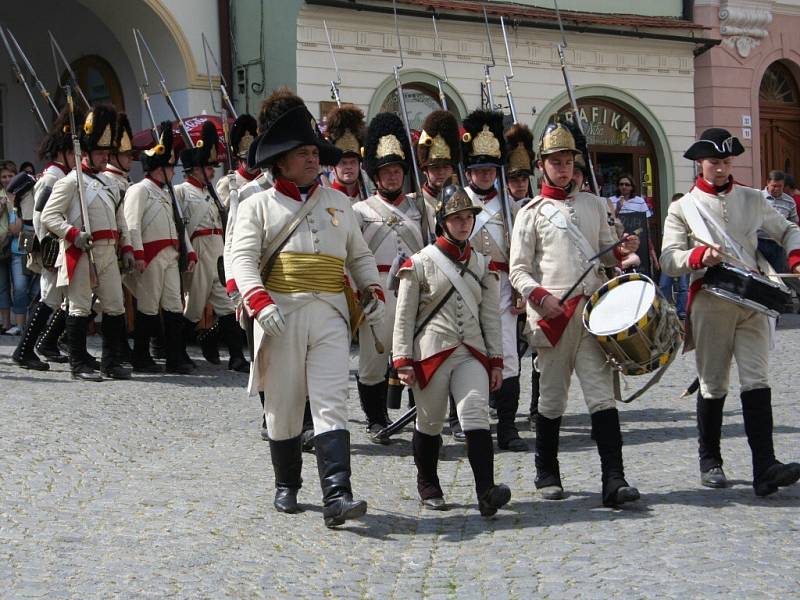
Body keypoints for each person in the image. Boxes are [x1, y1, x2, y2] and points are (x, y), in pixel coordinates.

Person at [230, 90, 384, 527]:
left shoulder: (339, 202)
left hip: (332, 316)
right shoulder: (256, 205)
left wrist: (372, 288)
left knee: (331, 402)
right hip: (281, 314)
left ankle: (338, 495)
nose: (313, 160)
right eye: (303, 153)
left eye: (315, 152)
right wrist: (258, 301)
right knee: (283, 404)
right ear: (280, 161)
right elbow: (240, 259)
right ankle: (287, 484)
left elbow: (358, 256)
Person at [660, 128, 800, 496]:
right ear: (700, 165)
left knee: (757, 380)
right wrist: (697, 256)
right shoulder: (682, 208)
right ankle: (711, 460)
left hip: (753, 300)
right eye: (713, 163)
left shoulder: (753, 199)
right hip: (711, 300)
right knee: (713, 382)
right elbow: (668, 258)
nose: (720, 169)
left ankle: (765, 467)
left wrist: (796, 257)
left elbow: (787, 230)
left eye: (725, 162)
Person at [509, 118, 641, 506]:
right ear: (542, 166)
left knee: (602, 398)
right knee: (551, 401)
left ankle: (614, 479)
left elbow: (608, 251)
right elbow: (518, 270)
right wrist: (539, 297)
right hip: (553, 317)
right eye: (555, 161)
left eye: (567, 160)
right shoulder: (530, 213)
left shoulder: (594, 205)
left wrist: (623, 246)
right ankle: (547, 470)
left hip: (592, 315)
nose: (563, 167)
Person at [393, 184, 512, 515]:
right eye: (456, 218)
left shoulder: (483, 264)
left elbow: (491, 317)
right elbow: (403, 318)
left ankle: (486, 491)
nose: (463, 224)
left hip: (470, 352)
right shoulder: (419, 263)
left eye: (467, 218)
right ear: (442, 221)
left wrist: (496, 361)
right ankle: (428, 481)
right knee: (430, 423)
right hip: (430, 354)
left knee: (475, 413)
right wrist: (402, 360)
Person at [353, 112, 434, 443]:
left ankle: (423, 413)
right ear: (376, 175)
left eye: (397, 171)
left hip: (412, 288)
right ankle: (375, 417)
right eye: (386, 172)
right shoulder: (360, 211)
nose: (391, 177)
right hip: (378, 293)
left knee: (418, 352)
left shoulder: (420, 210)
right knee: (375, 356)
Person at [41, 103, 135, 381]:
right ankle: (78, 362)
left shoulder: (108, 183)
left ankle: (110, 361)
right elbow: (49, 216)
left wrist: (127, 247)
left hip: (108, 252)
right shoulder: (71, 182)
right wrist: (73, 234)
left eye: (108, 153)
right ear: (88, 153)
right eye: (101, 153)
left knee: (115, 306)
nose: (106, 158)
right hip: (81, 250)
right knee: (80, 307)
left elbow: (120, 220)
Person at [462, 109, 527, 452]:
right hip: (467, 285)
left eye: (490, 170)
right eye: (479, 170)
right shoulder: (458, 201)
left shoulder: (510, 206)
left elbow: (519, 250)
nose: (485, 175)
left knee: (508, 355)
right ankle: (470, 423)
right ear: (470, 172)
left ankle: (507, 426)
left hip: (502, 286)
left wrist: (519, 288)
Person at [124, 120, 197, 374]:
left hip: (171, 253)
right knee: (148, 305)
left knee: (174, 305)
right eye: (169, 167)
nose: (173, 172)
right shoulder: (140, 190)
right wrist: (138, 253)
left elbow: (180, 225)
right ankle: (141, 356)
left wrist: (189, 249)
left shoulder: (168, 192)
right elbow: (131, 224)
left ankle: (174, 358)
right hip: (151, 255)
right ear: (158, 168)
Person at [176, 120, 247, 373]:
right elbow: (180, 225)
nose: (212, 171)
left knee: (227, 304)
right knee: (194, 306)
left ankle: (238, 357)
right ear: (195, 169)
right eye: (208, 167)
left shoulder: (212, 193)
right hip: (199, 247)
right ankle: (177, 351)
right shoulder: (181, 191)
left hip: (217, 248)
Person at [31, 106, 82, 364]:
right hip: (54, 248)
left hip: (64, 247)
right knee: (49, 299)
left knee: (61, 300)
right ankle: (25, 349)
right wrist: (48, 251)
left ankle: (48, 342)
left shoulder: (64, 175)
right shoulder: (53, 178)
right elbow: (41, 217)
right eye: (74, 152)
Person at [609, 173, 658, 277]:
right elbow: (609, 221)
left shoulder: (639, 201)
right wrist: (617, 208)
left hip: (636, 239)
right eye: (621, 184)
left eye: (627, 184)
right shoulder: (611, 200)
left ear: (632, 187)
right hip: (617, 240)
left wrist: (648, 242)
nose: (624, 187)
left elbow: (645, 223)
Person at [416, 109, 461, 209]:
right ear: (425, 170)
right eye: (435, 167)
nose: (441, 172)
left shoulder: (463, 199)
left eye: (445, 166)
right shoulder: (415, 204)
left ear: (452, 169)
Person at [325, 104, 368, 202]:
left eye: (353, 162)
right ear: (333, 167)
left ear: (359, 164)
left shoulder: (370, 198)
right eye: (343, 162)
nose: (349, 166)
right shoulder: (325, 200)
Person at [759, 170, 799, 274]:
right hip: (758, 243)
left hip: (778, 246)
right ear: (768, 182)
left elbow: (794, 224)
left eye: (780, 186)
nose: (776, 189)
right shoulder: (757, 197)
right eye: (774, 186)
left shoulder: (789, 201)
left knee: (781, 276)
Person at [658, 193, 689, 319]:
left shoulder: (689, 219)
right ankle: (664, 311)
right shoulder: (670, 219)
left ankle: (681, 311)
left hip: (684, 257)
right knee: (664, 284)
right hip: (670, 256)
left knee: (683, 286)